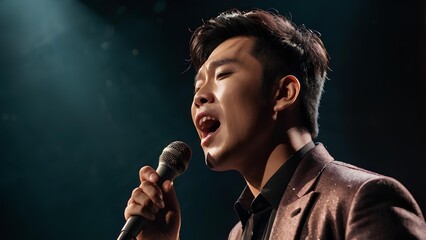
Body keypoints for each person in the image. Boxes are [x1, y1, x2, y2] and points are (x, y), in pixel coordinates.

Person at [124, 9, 426, 239]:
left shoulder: (362, 199)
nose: (200, 97)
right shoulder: (238, 234)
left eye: (223, 75)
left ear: (283, 92)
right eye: (197, 87)